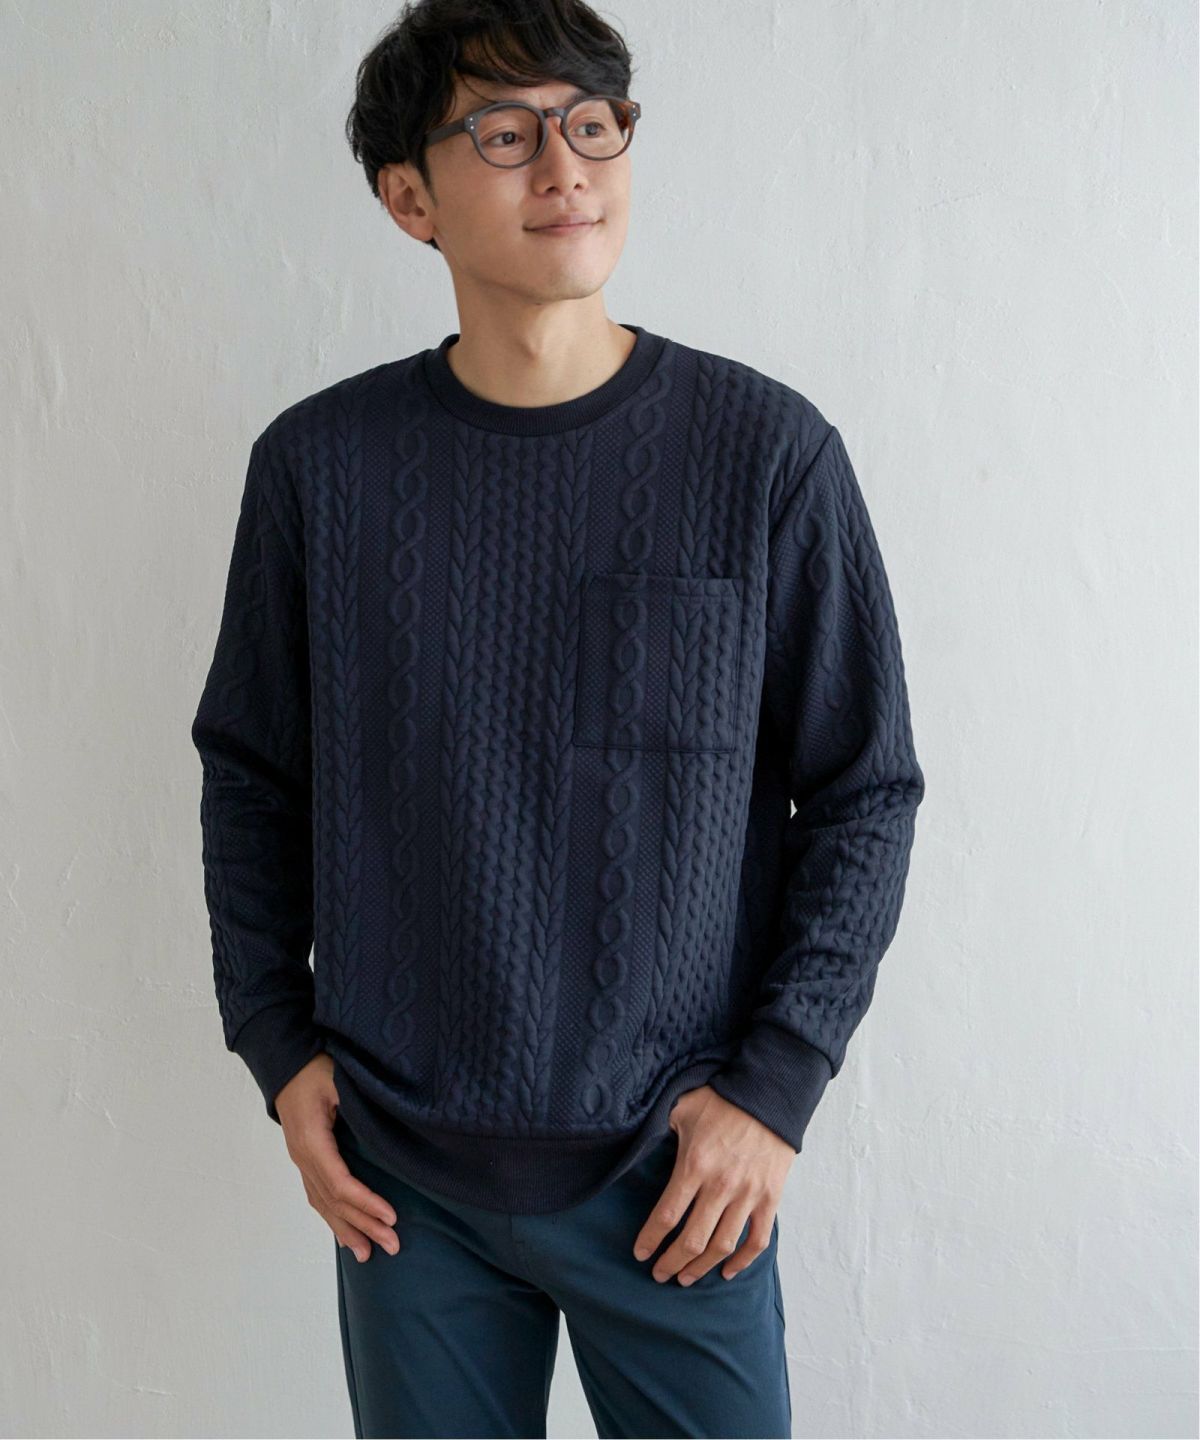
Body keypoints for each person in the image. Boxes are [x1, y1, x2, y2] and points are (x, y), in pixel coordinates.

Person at [190, 1, 926, 1435]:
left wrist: (774, 1090)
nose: (566, 167)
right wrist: (277, 1048)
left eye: (594, 124)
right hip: (403, 1184)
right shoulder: (319, 472)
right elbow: (253, 778)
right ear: (409, 199)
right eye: (505, 133)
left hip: (679, 1178)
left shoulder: (765, 455)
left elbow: (864, 791)